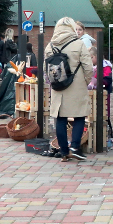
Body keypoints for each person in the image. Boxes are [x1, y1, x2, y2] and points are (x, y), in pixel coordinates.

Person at [45, 17, 94, 162]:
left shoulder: (50, 46)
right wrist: (84, 81)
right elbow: (88, 67)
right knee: (79, 115)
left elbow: (45, 68)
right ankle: (75, 147)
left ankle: (63, 151)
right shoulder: (78, 44)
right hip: (76, 84)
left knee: (60, 117)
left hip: (58, 85)